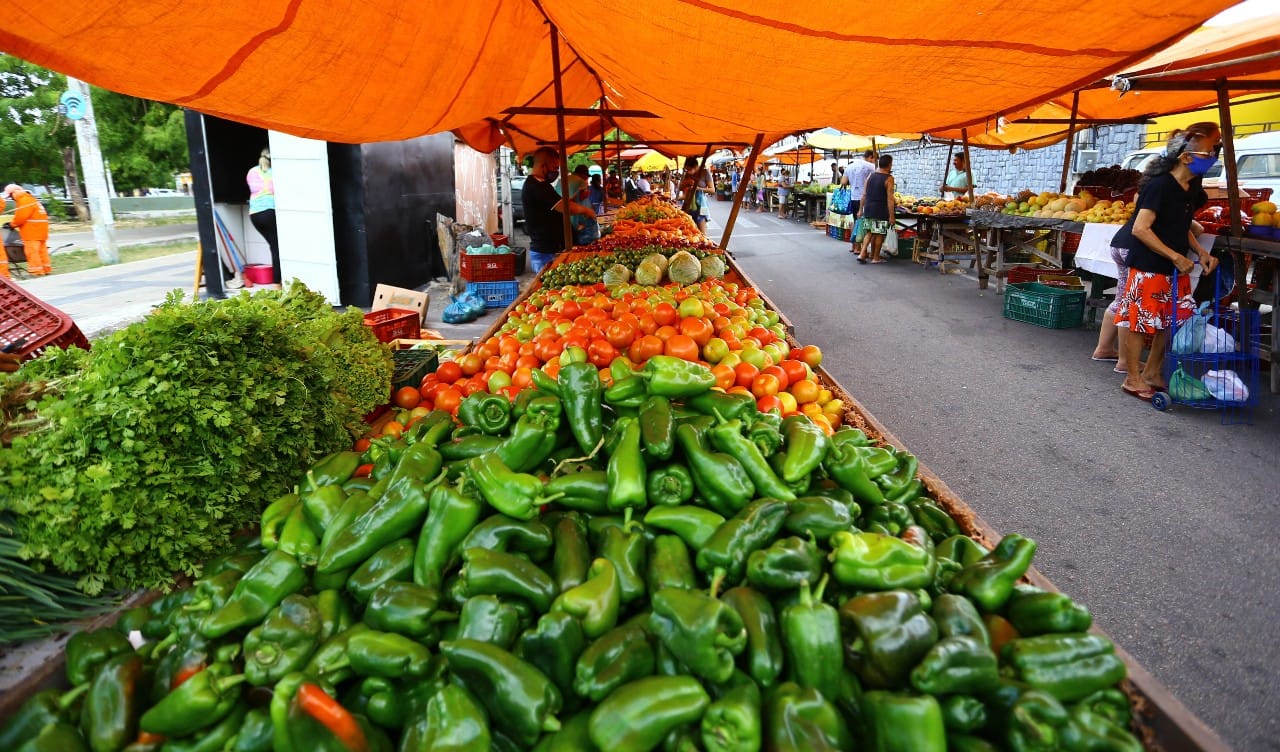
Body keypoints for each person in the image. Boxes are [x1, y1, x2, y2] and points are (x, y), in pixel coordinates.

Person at [1114, 122, 1221, 400]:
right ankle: (1132, 378)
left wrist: (1200, 252)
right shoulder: (1160, 186)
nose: (1214, 157)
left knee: (1169, 322)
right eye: (1211, 152)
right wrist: (1174, 255)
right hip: (1150, 266)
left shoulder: (1191, 186)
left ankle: (1152, 371)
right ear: (1187, 157)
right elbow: (1141, 228)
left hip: (1176, 268)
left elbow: (1180, 225)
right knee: (1142, 323)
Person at [522, 146, 595, 274]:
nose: (556, 172)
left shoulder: (543, 185)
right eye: (555, 168)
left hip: (550, 250)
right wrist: (586, 211)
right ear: (543, 166)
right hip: (545, 253)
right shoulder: (536, 187)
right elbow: (566, 207)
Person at [246, 148, 281, 284]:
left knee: (273, 245)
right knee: (277, 247)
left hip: (254, 214)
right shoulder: (274, 173)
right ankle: (278, 282)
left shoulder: (252, 171)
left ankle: (278, 281)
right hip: (269, 212)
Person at [1, 185, 51, 277]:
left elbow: (22, 216)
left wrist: (12, 224)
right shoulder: (31, 199)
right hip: (41, 229)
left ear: (15, 192)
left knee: (32, 251)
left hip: (32, 230)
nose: (12, 198)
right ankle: (46, 269)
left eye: (11, 196)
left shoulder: (24, 200)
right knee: (41, 250)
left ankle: (36, 271)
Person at [856, 155, 896, 264]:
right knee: (879, 234)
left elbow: (863, 194)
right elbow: (890, 199)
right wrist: (892, 216)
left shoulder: (871, 176)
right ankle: (875, 258)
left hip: (868, 207)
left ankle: (862, 253)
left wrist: (860, 209)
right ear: (889, 165)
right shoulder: (889, 178)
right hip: (880, 209)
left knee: (869, 232)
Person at [843, 151, 876, 249]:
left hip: (853, 198)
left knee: (857, 221)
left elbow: (843, 182)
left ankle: (855, 247)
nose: (875, 161)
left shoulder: (850, 166)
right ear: (871, 157)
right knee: (865, 224)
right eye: (875, 159)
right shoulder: (871, 167)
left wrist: (853, 183)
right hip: (866, 198)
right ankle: (861, 249)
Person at [679, 157, 714, 233]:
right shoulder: (687, 175)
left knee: (702, 233)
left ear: (695, 167)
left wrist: (698, 188)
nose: (688, 171)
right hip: (688, 206)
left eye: (689, 169)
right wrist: (687, 182)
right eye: (686, 170)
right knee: (689, 232)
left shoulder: (705, 173)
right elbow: (681, 188)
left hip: (702, 205)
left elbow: (712, 190)